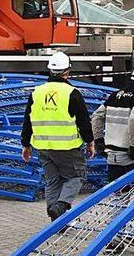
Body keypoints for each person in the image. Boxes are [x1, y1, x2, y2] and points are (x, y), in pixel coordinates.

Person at [91, 61, 134, 254]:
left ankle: (114, 240)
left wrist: (100, 141)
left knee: (118, 198)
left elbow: (96, 117)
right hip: (133, 157)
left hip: (113, 156)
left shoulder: (115, 95)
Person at [21, 52, 96, 222]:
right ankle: (61, 206)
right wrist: (90, 142)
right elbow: (84, 121)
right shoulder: (72, 93)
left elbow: (27, 120)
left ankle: (56, 219)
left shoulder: (36, 92)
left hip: (43, 147)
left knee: (52, 181)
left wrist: (26, 145)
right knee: (76, 177)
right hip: (68, 148)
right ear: (67, 71)